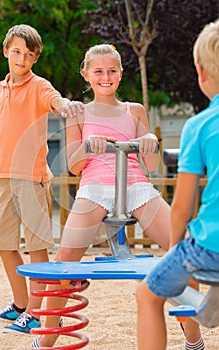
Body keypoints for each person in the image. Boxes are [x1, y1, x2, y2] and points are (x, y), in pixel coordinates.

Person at [30, 43, 203, 349]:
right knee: (66, 258)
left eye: (112, 71)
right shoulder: (79, 113)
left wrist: (150, 142)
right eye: (98, 71)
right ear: (87, 75)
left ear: (121, 74)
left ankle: (193, 337)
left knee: (182, 248)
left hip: (135, 184)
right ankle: (47, 338)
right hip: (95, 186)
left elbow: (149, 165)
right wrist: (88, 144)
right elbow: (73, 165)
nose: (105, 77)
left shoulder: (134, 110)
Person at [0, 24, 83, 335]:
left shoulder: (39, 86)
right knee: (4, 245)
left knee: (36, 248)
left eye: (29, 54)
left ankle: (35, 313)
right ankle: (20, 305)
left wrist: (66, 106)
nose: (22, 58)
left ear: (35, 58)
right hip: (4, 176)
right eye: (17, 51)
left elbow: (56, 100)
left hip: (33, 179)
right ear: (6, 51)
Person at [136, 19, 219, 350]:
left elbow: (182, 207)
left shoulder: (199, 126)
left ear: (200, 72)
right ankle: (207, 305)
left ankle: (204, 306)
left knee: (148, 294)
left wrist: (173, 249)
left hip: (209, 248)